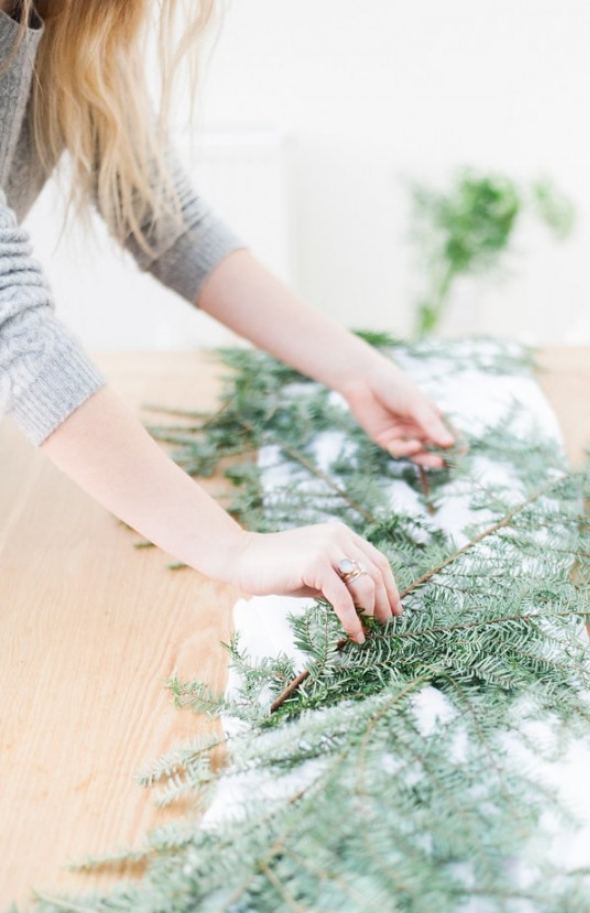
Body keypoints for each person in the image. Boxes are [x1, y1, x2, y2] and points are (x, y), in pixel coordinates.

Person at [0, 0, 454, 643]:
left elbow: (163, 217)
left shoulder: (72, 16)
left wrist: (355, 369)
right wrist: (234, 551)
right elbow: (9, 317)